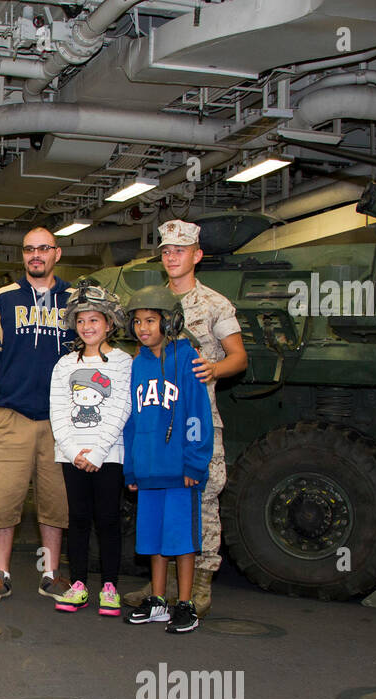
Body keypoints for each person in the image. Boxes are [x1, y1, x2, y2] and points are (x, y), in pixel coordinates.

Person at [122, 219, 246, 617]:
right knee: (158, 501)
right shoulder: (149, 304)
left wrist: (215, 369)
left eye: (180, 250)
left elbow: (239, 356)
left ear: (197, 255)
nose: (172, 256)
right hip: (155, 422)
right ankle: (164, 585)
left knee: (202, 498)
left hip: (197, 419)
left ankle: (201, 582)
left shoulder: (214, 304)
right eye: (166, 250)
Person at [0, 227, 76, 602]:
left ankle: (50, 575)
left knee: (55, 502)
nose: (36, 255)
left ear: (56, 254)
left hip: (60, 421)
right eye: (29, 249)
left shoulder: (74, 300)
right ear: (23, 255)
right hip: (10, 417)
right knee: (2, 499)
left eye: (43, 249)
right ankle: (0, 573)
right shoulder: (3, 299)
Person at [121, 286, 214, 634]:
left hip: (179, 471)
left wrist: (194, 463)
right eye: (138, 322)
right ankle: (158, 600)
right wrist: (132, 466)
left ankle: (185, 603)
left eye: (151, 320)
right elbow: (132, 421)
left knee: (181, 540)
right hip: (147, 469)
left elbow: (197, 415)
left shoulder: (187, 358)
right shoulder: (138, 364)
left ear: (170, 322)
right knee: (153, 539)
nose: (144, 328)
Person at [48, 282, 132, 615]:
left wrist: (97, 453)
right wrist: (72, 451)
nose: (87, 327)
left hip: (108, 455)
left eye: (94, 320)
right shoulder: (64, 365)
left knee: (108, 519)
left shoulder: (124, 362)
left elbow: (121, 407)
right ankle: (79, 584)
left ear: (109, 323)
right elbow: (57, 410)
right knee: (78, 520)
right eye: (81, 321)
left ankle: (109, 586)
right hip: (72, 456)